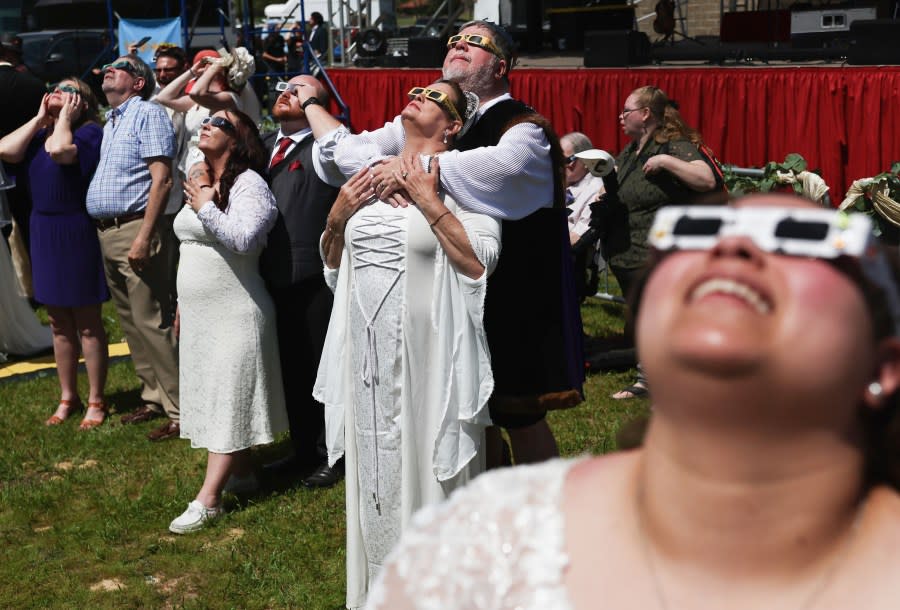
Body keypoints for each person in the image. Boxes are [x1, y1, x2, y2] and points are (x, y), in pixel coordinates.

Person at [365, 194, 900, 609]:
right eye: (693, 232)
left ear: (884, 367)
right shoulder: (487, 536)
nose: (730, 248)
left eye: (803, 238)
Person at [331, 19, 584, 468]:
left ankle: (547, 510)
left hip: (511, 292)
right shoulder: (443, 113)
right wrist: (394, 166)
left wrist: (408, 168)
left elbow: (501, 168)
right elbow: (348, 152)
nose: (459, 46)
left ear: (502, 66)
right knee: (470, 415)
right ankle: (484, 503)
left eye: (475, 42)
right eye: (454, 41)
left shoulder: (522, 125)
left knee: (517, 413)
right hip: (445, 294)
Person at [313, 79, 500, 608]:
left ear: (455, 124)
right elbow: (333, 263)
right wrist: (337, 216)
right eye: (417, 88)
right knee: (376, 480)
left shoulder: (462, 181)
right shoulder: (369, 177)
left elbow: (479, 263)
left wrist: (425, 197)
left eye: (435, 95)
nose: (418, 93)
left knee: (424, 476)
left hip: (427, 362)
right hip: (366, 359)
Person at [168, 109, 287, 533]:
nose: (206, 124)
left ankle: (209, 499)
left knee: (229, 397)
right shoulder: (201, 178)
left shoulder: (249, 184)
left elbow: (245, 238)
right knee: (217, 391)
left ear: (236, 141)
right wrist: (184, 302)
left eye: (219, 123)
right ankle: (244, 471)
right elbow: (194, 248)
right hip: (203, 312)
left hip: (237, 311)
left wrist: (203, 205)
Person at [0, 78, 109, 428]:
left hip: (75, 228)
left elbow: (62, 153)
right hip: (42, 229)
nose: (56, 91)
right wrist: (39, 118)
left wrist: (63, 120)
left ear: (81, 101)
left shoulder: (89, 133)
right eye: (54, 87)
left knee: (87, 322)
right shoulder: (41, 133)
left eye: (67, 88)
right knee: (58, 321)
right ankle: (67, 396)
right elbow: (5, 149)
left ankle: (96, 399)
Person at [85, 55, 181, 441]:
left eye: (120, 66)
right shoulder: (114, 121)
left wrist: (144, 234)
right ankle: (153, 396)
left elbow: (161, 180)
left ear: (139, 82)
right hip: (108, 232)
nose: (109, 68)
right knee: (130, 320)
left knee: (152, 319)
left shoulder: (148, 113)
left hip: (134, 228)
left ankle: (180, 408)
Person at [258, 75, 346, 488]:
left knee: (322, 366)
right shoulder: (265, 145)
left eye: (298, 91)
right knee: (291, 366)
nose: (285, 94)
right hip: (273, 274)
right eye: (283, 88)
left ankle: (335, 451)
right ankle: (302, 447)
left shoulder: (325, 147)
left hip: (315, 275)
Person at [610, 85, 716, 400]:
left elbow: (705, 178)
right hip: (630, 250)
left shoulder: (673, 146)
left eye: (626, 110)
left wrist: (667, 164)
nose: (620, 116)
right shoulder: (632, 149)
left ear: (645, 114)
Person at [561, 131, 606, 301]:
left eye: (568, 160)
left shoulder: (596, 188)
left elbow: (578, 237)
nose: (562, 165)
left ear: (587, 161)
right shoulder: (559, 183)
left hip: (570, 261)